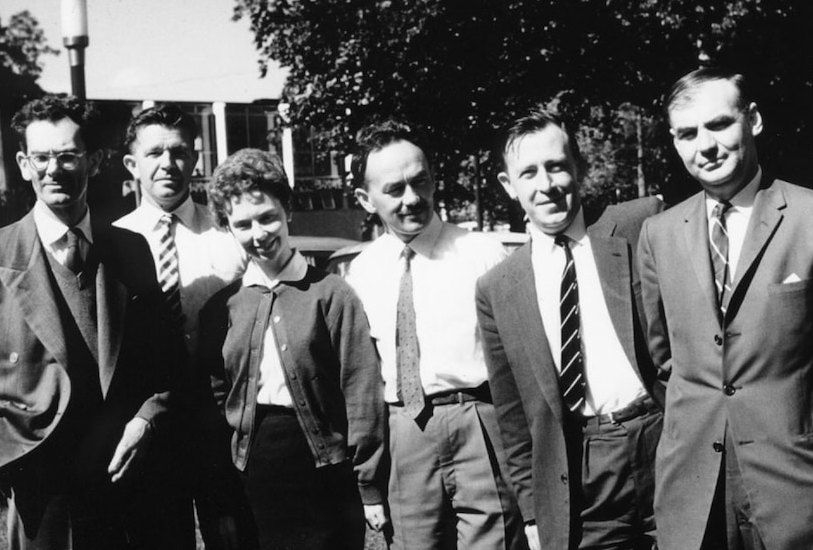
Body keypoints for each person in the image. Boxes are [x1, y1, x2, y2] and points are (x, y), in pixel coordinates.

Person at [638, 67, 813, 550]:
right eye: (688, 134)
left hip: (801, 486)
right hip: (694, 489)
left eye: (719, 125)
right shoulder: (659, 234)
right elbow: (663, 361)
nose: (705, 146)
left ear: (752, 119)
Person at [0, 95, 179, 549]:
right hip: (39, 488)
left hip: (124, 477)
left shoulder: (132, 250)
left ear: (94, 161)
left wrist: (145, 422)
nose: (53, 169)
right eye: (41, 157)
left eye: (68, 155)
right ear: (23, 163)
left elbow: (166, 359)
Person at [476, 110, 664, 550]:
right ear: (509, 186)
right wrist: (533, 513)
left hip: (660, 437)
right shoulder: (498, 288)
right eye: (528, 173)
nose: (546, 185)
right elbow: (512, 416)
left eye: (557, 166)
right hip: (584, 465)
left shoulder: (637, 225)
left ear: (578, 167)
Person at [346, 119, 526, 550]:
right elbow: (363, 374)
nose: (412, 199)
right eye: (394, 190)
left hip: (478, 419)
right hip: (404, 432)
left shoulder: (482, 254)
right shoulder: (362, 271)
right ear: (365, 199)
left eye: (420, 181)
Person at [199, 148, 385, 550]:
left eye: (267, 217)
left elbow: (361, 389)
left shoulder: (332, 294)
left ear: (287, 211)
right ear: (228, 227)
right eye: (243, 224)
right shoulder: (222, 307)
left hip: (323, 472)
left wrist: (368, 482)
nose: (259, 233)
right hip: (253, 472)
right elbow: (216, 400)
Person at [113, 103, 246, 548]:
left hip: (222, 423)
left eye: (178, 152)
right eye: (153, 154)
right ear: (132, 164)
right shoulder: (112, 243)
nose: (167, 164)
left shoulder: (230, 235)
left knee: (234, 537)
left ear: (195, 158)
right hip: (151, 426)